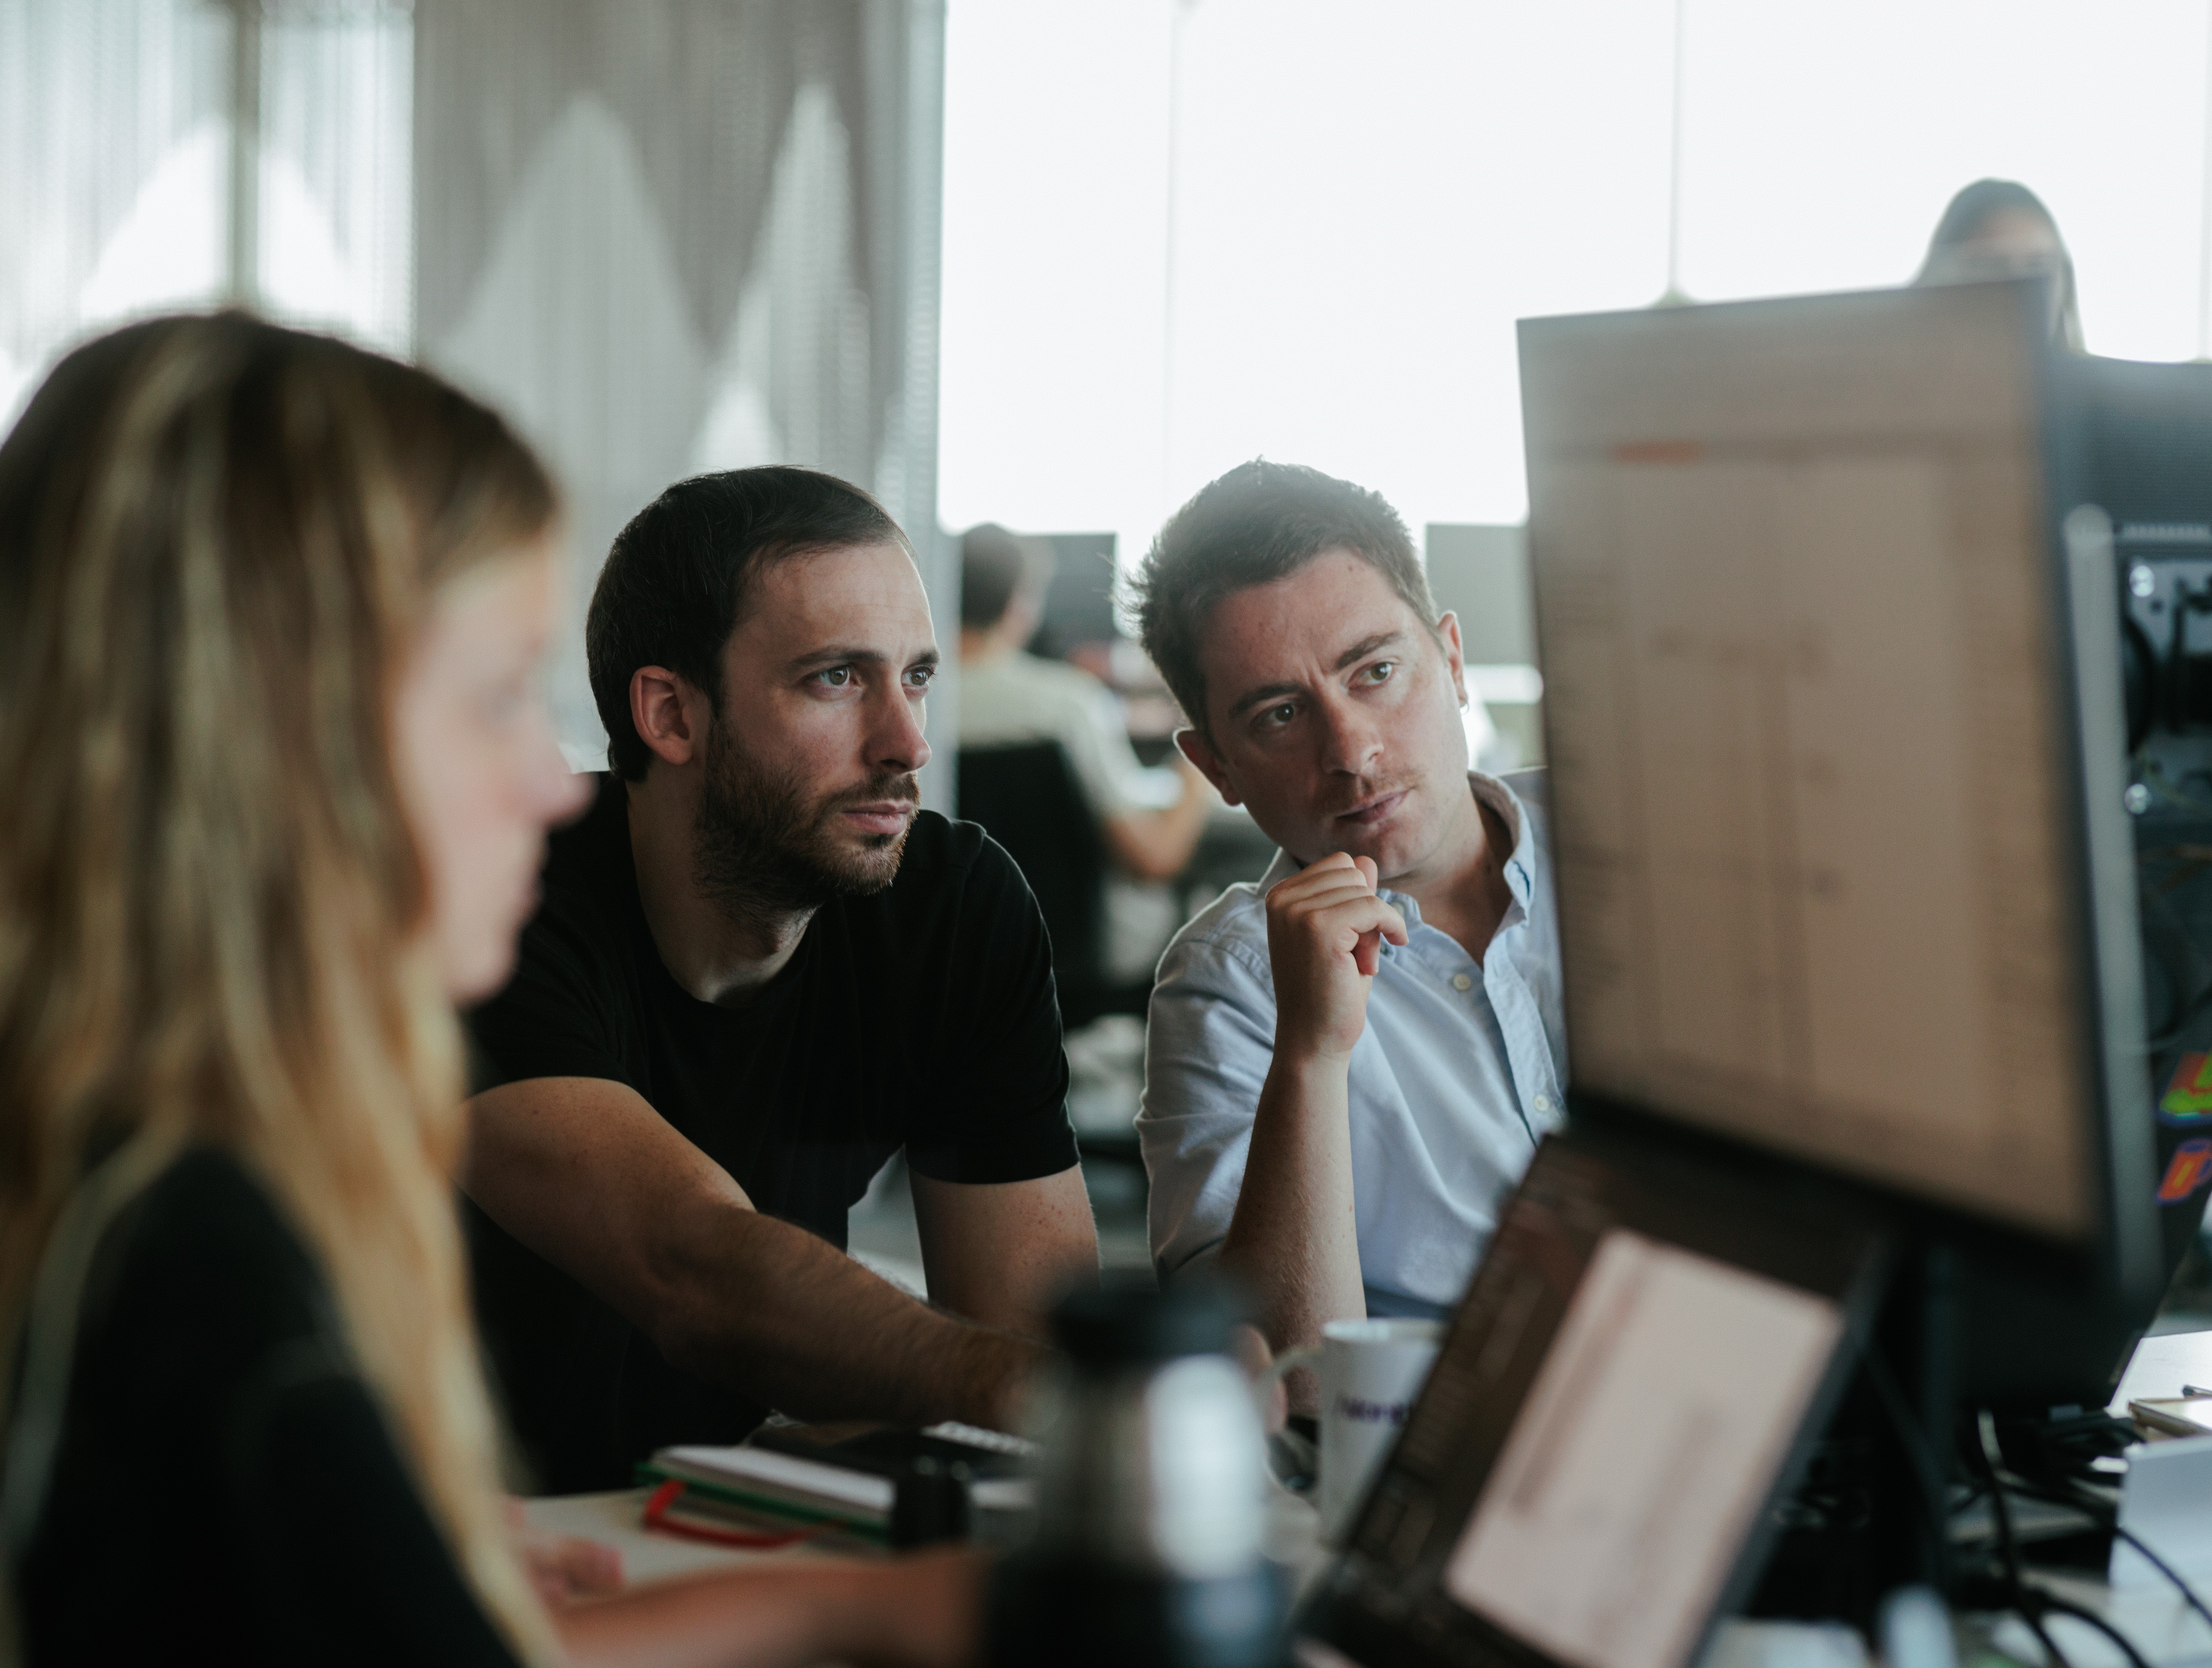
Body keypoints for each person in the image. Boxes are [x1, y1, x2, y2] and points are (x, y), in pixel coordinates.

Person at [0, 314, 979, 1668]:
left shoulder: (102, 1157)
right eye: (495, 700)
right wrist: (848, 1611)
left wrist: (381, 1565)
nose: (543, 781)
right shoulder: (176, 1252)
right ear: (278, 734)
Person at [463, 471, 1100, 1491]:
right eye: (835, 680)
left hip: (732, 1514)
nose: (908, 744)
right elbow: (695, 1270)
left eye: (917, 677)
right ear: (670, 714)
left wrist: (1097, 1388)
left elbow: (1026, 1335)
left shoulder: (951, 906)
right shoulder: (498, 903)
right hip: (476, 1544)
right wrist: (1096, 1396)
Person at [1125, 460, 1566, 1381]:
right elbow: (1279, 1370)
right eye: (1280, 714)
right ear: (1217, 770)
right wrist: (1310, 1056)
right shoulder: (1230, 982)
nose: (1351, 753)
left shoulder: (1627, 845)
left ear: (1449, 660)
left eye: (1375, 671)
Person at [955, 523, 1212, 985]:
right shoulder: (1066, 704)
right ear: (1019, 604)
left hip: (954, 958)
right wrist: (1200, 764)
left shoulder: (915, 702)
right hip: (1077, 964)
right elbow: (1154, 859)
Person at [1915, 178, 2084, 350]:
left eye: (2037, 266)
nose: (2020, 290)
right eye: (1993, 268)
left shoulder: (2105, 377)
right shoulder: (1893, 374)